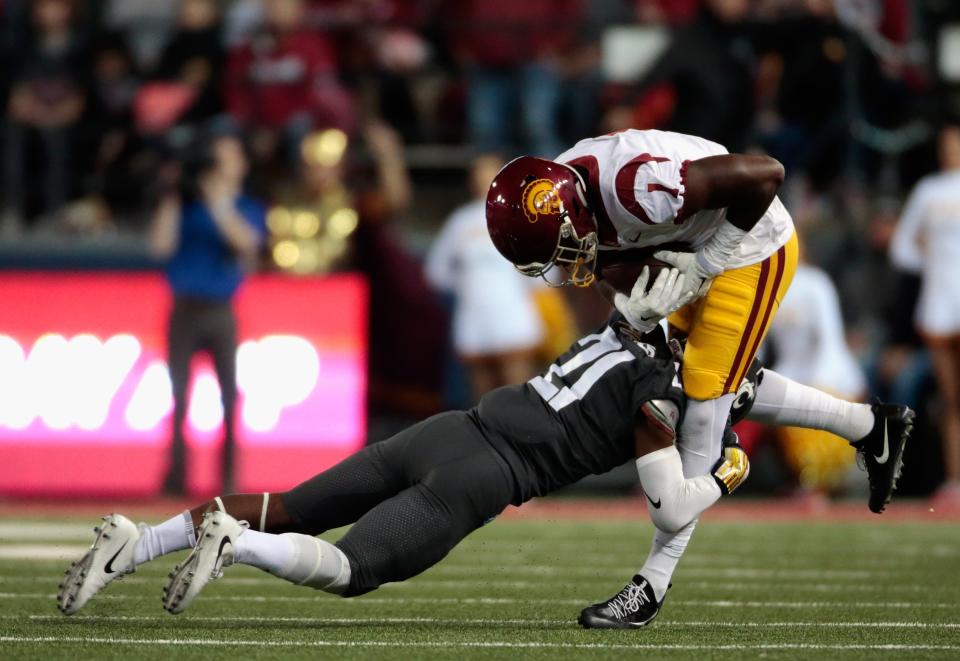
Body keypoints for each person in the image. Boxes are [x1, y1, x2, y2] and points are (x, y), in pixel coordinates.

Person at [485, 128, 915, 625]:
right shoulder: (568, 187)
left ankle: (652, 585)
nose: (561, 264)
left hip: (751, 246)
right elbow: (607, 266)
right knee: (724, 382)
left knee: (704, 401)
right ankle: (870, 426)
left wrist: (708, 262)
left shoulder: (635, 185)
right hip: (692, 246)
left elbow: (766, 174)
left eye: (559, 249)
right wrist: (635, 313)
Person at [56, 313, 752, 617]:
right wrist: (724, 472)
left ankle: (139, 540)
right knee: (354, 569)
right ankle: (239, 546)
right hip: (485, 474)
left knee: (290, 503)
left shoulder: (618, 332)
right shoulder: (657, 391)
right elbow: (669, 504)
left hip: (448, 428)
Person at [148, 129, 267, 496]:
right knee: (178, 394)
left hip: (220, 310)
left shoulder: (245, 206)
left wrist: (218, 202)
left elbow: (247, 242)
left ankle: (228, 481)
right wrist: (173, 193)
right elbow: (160, 246)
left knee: (229, 396)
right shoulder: (186, 205)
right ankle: (176, 477)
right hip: (184, 308)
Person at [425, 155, 547, 401]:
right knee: (482, 400)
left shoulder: (521, 215)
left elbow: (543, 270)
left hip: (512, 316)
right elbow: (436, 271)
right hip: (474, 318)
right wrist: (466, 285)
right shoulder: (460, 221)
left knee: (520, 396)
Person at [890, 123, 960, 506]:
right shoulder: (928, 191)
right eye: (946, 145)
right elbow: (902, 247)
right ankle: (954, 478)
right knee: (950, 400)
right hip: (939, 303)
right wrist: (932, 261)